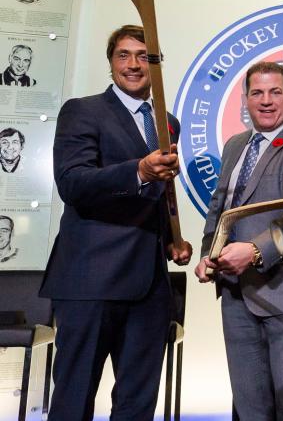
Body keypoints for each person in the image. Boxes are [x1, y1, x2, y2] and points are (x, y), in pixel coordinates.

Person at [41, 24, 191, 420]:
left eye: (143, 56)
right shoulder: (82, 110)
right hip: (91, 280)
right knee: (74, 399)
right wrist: (138, 170)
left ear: (156, 65)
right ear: (111, 64)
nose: (133, 64)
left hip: (148, 285)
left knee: (137, 404)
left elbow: (158, 193)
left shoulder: (168, 123)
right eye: (123, 55)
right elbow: (73, 184)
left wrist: (172, 238)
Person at [195, 61, 283, 420]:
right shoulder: (236, 145)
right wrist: (210, 254)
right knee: (250, 407)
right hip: (235, 297)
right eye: (257, 93)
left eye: (274, 92)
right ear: (245, 100)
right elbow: (221, 208)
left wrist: (254, 251)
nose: (266, 101)